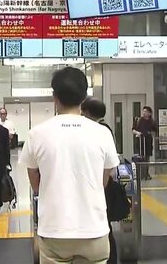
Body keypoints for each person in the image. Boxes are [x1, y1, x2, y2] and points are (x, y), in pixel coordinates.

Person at [20, 67, 119, 264]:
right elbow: (104, 180)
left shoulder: (36, 134)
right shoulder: (102, 133)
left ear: (54, 97)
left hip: (54, 230)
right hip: (94, 229)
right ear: (84, 97)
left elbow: (35, 184)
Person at [81, 97, 119, 264]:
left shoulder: (100, 130)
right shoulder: (105, 129)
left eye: (83, 112)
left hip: (102, 185)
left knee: (105, 225)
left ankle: (109, 259)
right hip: (102, 183)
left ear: (88, 113)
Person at [132, 106, 157, 180]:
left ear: (149, 113)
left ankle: (146, 173)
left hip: (148, 142)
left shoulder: (152, 122)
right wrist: (138, 133)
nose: (144, 113)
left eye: (146, 111)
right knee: (140, 156)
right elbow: (133, 129)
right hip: (140, 141)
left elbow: (155, 131)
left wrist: (150, 133)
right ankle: (140, 173)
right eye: (143, 111)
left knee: (147, 157)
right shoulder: (138, 120)